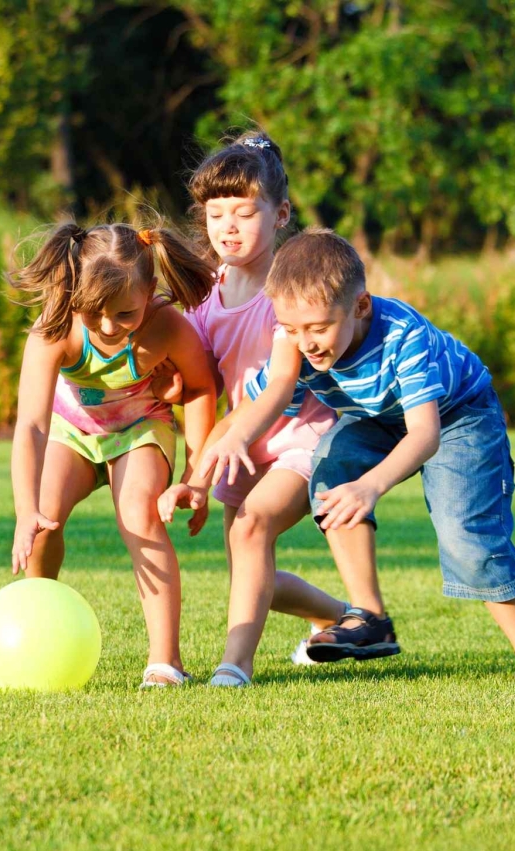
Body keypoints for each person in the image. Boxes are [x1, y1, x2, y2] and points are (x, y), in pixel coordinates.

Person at [195, 229, 515, 683]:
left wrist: (370, 485)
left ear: (361, 306)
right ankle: (369, 618)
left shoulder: (401, 335)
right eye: (291, 329)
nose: (306, 343)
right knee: (331, 468)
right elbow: (267, 397)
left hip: (459, 416)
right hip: (377, 418)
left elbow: (425, 434)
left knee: (465, 534)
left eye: (318, 328)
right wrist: (219, 453)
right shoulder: (295, 342)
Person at [154, 131, 347, 688]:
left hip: (302, 440)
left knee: (251, 529)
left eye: (244, 213)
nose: (228, 227)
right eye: (216, 214)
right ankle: (342, 619)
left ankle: (234, 667)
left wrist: (231, 441)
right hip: (241, 445)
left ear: (280, 214)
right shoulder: (207, 293)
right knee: (249, 567)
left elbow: (280, 384)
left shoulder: (289, 289)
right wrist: (192, 462)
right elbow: (202, 385)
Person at [7, 221, 218, 688]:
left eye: (124, 314)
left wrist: (195, 476)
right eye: (93, 312)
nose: (107, 326)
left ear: (150, 289)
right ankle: (39, 633)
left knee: (139, 516)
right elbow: (33, 425)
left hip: (140, 429)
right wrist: (26, 511)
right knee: (44, 522)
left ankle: (165, 662)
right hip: (73, 430)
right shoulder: (56, 327)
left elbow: (201, 389)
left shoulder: (167, 327)